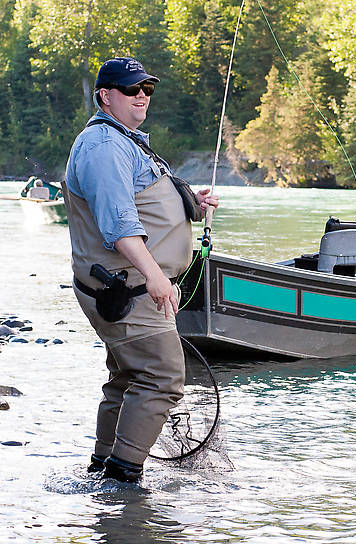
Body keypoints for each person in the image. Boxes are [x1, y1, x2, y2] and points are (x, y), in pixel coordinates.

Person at [63, 57, 219, 481]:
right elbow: (118, 225)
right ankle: (122, 480)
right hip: (128, 290)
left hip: (126, 287)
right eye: (132, 89)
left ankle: (101, 469)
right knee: (163, 377)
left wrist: (191, 203)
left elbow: (141, 201)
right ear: (105, 96)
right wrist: (154, 276)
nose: (142, 97)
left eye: (147, 89)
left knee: (127, 377)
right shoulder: (104, 146)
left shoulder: (123, 140)